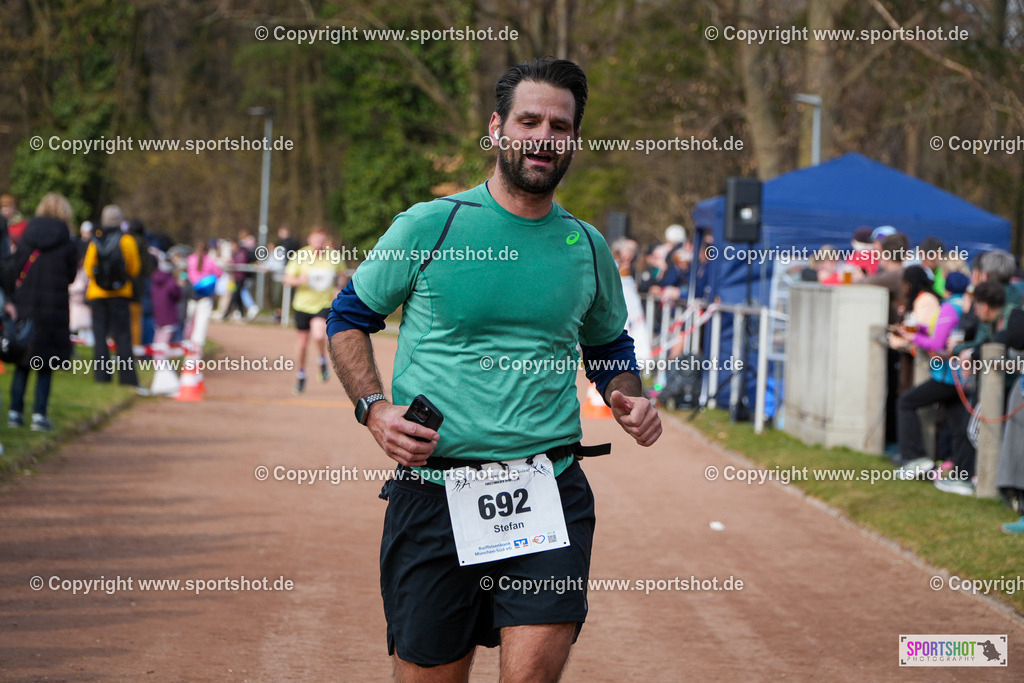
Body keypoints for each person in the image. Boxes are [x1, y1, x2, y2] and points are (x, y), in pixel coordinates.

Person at [327, 57, 662, 681]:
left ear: (574, 141)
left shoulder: (586, 246)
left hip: (548, 489)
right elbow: (348, 317)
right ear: (496, 128)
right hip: (433, 497)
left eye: (559, 126)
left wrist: (625, 396)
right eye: (528, 120)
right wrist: (374, 410)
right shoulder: (431, 224)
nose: (543, 137)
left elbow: (609, 346)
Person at [7, 193, 78, 431]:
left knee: (22, 361)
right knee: (45, 363)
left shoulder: (26, 236)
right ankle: (39, 414)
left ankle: (14, 412)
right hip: (53, 309)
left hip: (27, 303)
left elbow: (16, 268)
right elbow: (70, 276)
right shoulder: (67, 241)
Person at [888, 267, 960, 474]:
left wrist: (912, 337)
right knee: (955, 424)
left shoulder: (947, 306)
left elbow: (936, 342)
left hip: (947, 376)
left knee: (906, 403)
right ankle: (950, 467)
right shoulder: (951, 305)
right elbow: (932, 330)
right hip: (951, 376)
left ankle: (916, 458)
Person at [83, 205, 141, 386]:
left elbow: (88, 267)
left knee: (100, 336)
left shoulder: (96, 239)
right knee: (123, 337)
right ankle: (127, 379)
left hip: (97, 294)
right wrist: (122, 279)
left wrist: (100, 282)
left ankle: (102, 377)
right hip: (120, 293)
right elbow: (135, 267)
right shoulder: (127, 240)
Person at [284, 227, 345, 393]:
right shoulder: (300, 256)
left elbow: (341, 274)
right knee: (303, 344)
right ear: (309, 239)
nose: (318, 242)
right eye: (315, 239)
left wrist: (338, 288)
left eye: (322, 239)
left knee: (319, 334)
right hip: (302, 305)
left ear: (325, 240)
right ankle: (301, 374)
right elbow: (287, 279)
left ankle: (322, 359)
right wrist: (298, 280)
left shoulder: (333, 256)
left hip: (323, 304)